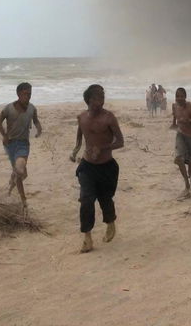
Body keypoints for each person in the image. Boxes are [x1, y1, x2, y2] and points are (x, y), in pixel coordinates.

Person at [70, 84, 124, 253]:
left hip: (107, 166)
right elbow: (81, 136)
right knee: (86, 199)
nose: (101, 101)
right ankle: (87, 238)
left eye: (103, 97)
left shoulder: (109, 118)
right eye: (97, 97)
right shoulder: (81, 117)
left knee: (105, 198)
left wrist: (103, 148)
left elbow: (120, 141)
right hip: (87, 166)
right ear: (88, 100)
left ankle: (110, 223)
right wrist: (75, 150)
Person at [0, 82, 43, 207]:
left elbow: (36, 121)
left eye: (30, 94)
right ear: (18, 94)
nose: (28, 96)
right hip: (10, 145)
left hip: (23, 145)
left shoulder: (32, 108)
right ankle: (13, 187)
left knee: (20, 171)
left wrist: (39, 129)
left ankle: (23, 200)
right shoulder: (9, 108)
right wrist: (4, 135)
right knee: (21, 173)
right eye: (26, 94)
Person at [171, 87, 191, 199]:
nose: (179, 98)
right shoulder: (174, 106)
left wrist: (190, 121)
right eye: (177, 96)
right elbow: (174, 114)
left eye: (181, 96)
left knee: (190, 162)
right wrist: (174, 123)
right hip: (181, 135)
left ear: (185, 97)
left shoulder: (190, 107)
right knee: (178, 158)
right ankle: (187, 185)